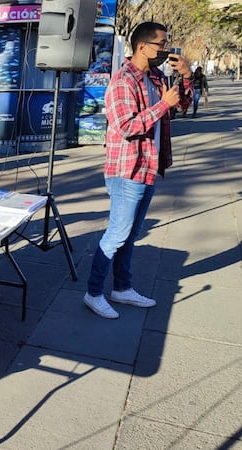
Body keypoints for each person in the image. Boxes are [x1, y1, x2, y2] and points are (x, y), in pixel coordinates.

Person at [82, 22, 193, 319]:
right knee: (117, 233)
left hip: (147, 166)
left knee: (130, 234)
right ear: (143, 46)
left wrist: (185, 75)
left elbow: (182, 105)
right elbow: (127, 126)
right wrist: (162, 106)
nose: (167, 49)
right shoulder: (122, 80)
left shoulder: (155, 76)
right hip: (126, 170)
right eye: (162, 44)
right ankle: (93, 292)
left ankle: (122, 288)